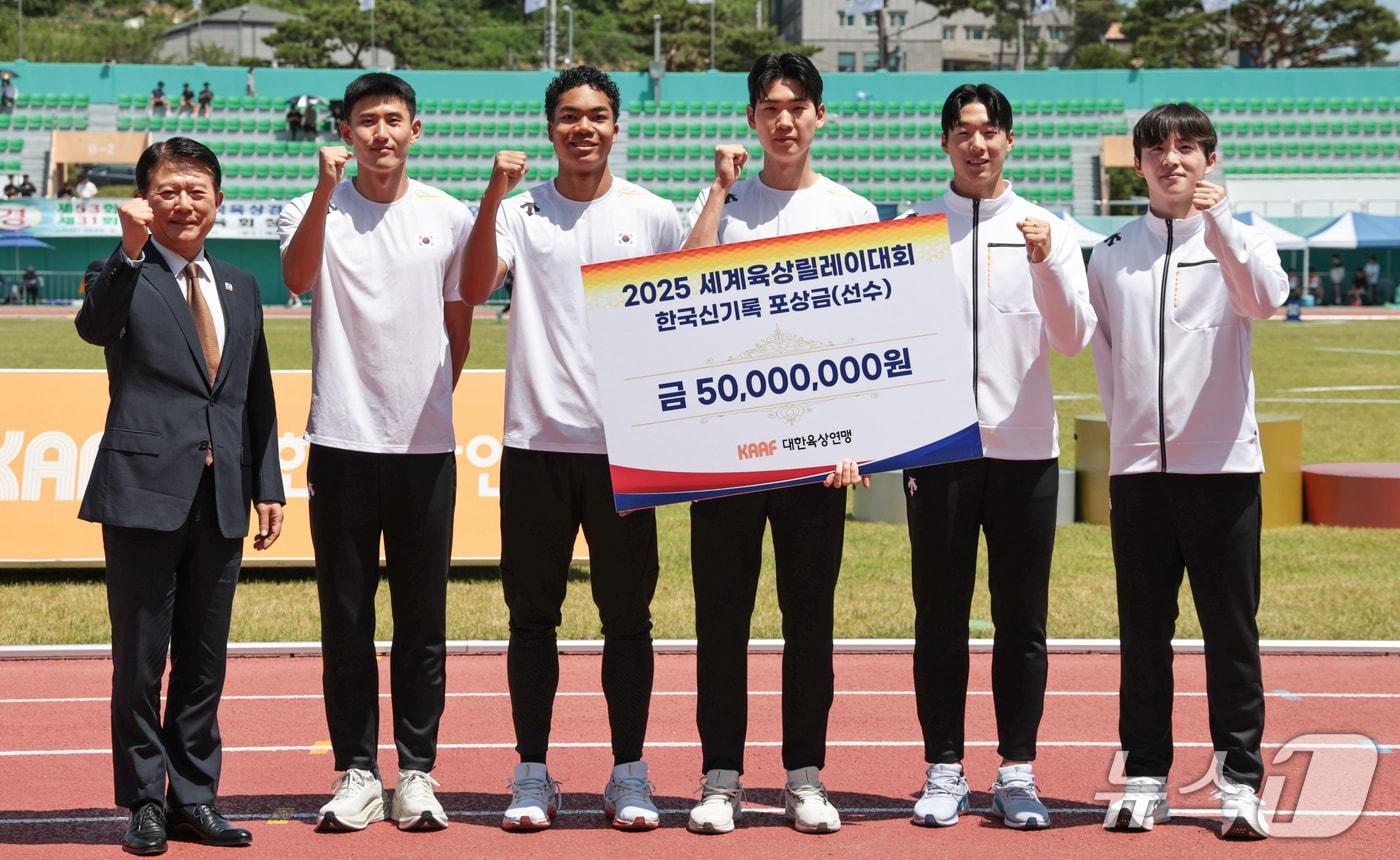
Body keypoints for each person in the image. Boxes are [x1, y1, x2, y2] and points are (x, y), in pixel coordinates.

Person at [460, 65, 684, 832]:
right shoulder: (520, 211)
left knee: (629, 619)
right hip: (535, 443)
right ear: (549, 128)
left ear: (617, 126)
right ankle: (532, 773)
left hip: (624, 451)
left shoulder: (652, 215)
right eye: (567, 116)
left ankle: (629, 772)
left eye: (595, 115)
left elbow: (698, 309)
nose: (582, 128)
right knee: (532, 618)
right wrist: (493, 195)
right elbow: (477, 281)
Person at [680, 52, 873, 837]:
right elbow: (680, 286)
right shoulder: (724, 202)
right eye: (770, 107)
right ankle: (720, 777)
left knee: (809, 621)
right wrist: (721, 191)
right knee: (720, 619)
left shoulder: (852, 210)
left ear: (819, 116)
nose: (784, 119)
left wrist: (857, 438)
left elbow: (871, 332)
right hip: (727, 449)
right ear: (752, 119)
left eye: (797, 105)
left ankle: (803, 775)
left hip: (816, 454)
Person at [75, 136, 285, 856]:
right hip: (142, 491)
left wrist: (267, 483)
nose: (183, 203)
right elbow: (94, 328)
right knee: (141, 656)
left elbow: (254, 394)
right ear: (145, 200)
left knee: (204, 658)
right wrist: (128, 252)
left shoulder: (239, 284)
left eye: (197, 190)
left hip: (221, 491)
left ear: (218, 202)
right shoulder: (122, 273)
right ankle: (143, 802)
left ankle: (194, 796)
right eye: (168, 191)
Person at [279, 71, 473, 835]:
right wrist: (325, 192)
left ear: (415, 130)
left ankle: (417, 772)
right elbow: (296, 279)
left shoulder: (448, 216)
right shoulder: (314, 209)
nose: (381, 133)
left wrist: (428, 402)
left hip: (426, 447)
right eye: (367, 122)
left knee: (423, 618)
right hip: (341, 441)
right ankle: (357, 770)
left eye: (394, 119)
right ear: (347, 132)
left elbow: (460, 320)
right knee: (346, 616)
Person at [1087, 102, 1286, 840]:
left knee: (1231, 633)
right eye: (1158, 150)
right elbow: (1101, 353)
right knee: (1143, 633)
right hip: (1139, 474)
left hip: (1225, 468)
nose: (1174, 160)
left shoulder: (1245, 240)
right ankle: (1145, 777)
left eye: (1188, 148)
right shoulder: (1109, 254)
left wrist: (1225, 225)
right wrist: (1130, 436)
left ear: (1210, 159)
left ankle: (1240, 783)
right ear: (1137, 165)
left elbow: (1265, 302)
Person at [902, 83, 1095, 831]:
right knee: (939, 617)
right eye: (962, 131)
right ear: (944, 142)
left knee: (1023, 619)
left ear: (1010, 140)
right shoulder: (914, 231)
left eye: (990, 131)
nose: (977, 144)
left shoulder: (1048, 228)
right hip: (940, 451)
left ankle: (1017, 771)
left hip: (1024, 453)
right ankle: (944, 769)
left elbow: (1074, 339)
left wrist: (1046, 264)